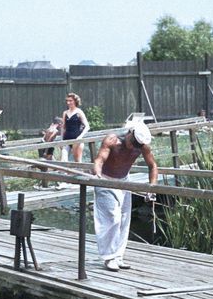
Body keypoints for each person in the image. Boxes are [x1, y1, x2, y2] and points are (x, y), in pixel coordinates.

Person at [92, 122, 158, 272]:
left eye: (137, 144)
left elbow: (152, 166)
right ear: (130, 133)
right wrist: (97, 175)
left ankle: (118, 256)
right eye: (133, 142)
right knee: (112, 218)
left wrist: (151, 188)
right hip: (105, 180)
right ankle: (109, 257)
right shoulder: (112, 141)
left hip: (124, 181)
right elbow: (99, 160)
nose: (134, 146)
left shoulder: (142, 147)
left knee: (123, 220)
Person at [61, 93, 90, 162]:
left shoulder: (79, 112)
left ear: (75, 101)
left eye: (70, 101)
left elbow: (87, 126)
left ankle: (79, 172)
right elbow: (63, 127)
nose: (68, 103)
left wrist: (80, 137)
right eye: (67, 101)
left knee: (77, 161)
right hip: (66, 139)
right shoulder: (65, 113)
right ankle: (64, 173)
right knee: (63, 160)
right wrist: (61, 140)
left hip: (77, 140)